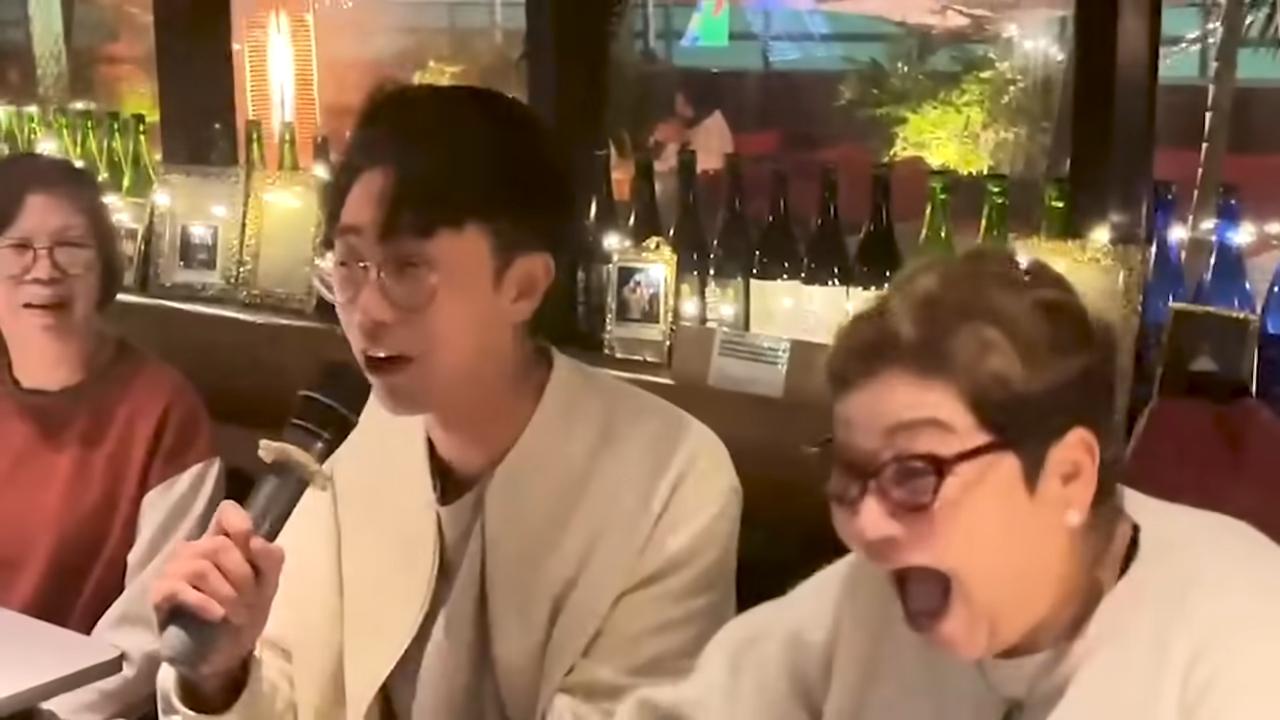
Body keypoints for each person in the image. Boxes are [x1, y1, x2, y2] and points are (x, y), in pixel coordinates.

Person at [150, 85, 742, 719]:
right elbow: (288, 688)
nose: (367, 313)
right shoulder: (350, 441)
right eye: (349, 263)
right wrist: (220, 678)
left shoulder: (672, 479)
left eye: (409, 268)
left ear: (523, 287)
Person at [616, 248, 1280, 719]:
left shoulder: (1243, 641)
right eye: (850, 473)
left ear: (1068, 476)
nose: (866, 525)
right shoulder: (864, 601)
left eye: (915, 473)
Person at [0, 154, 223, 718]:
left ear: (104, 265)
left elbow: (149, 636)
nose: (44, 269)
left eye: (70, 246)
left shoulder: (163, 413)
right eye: (18, 247)